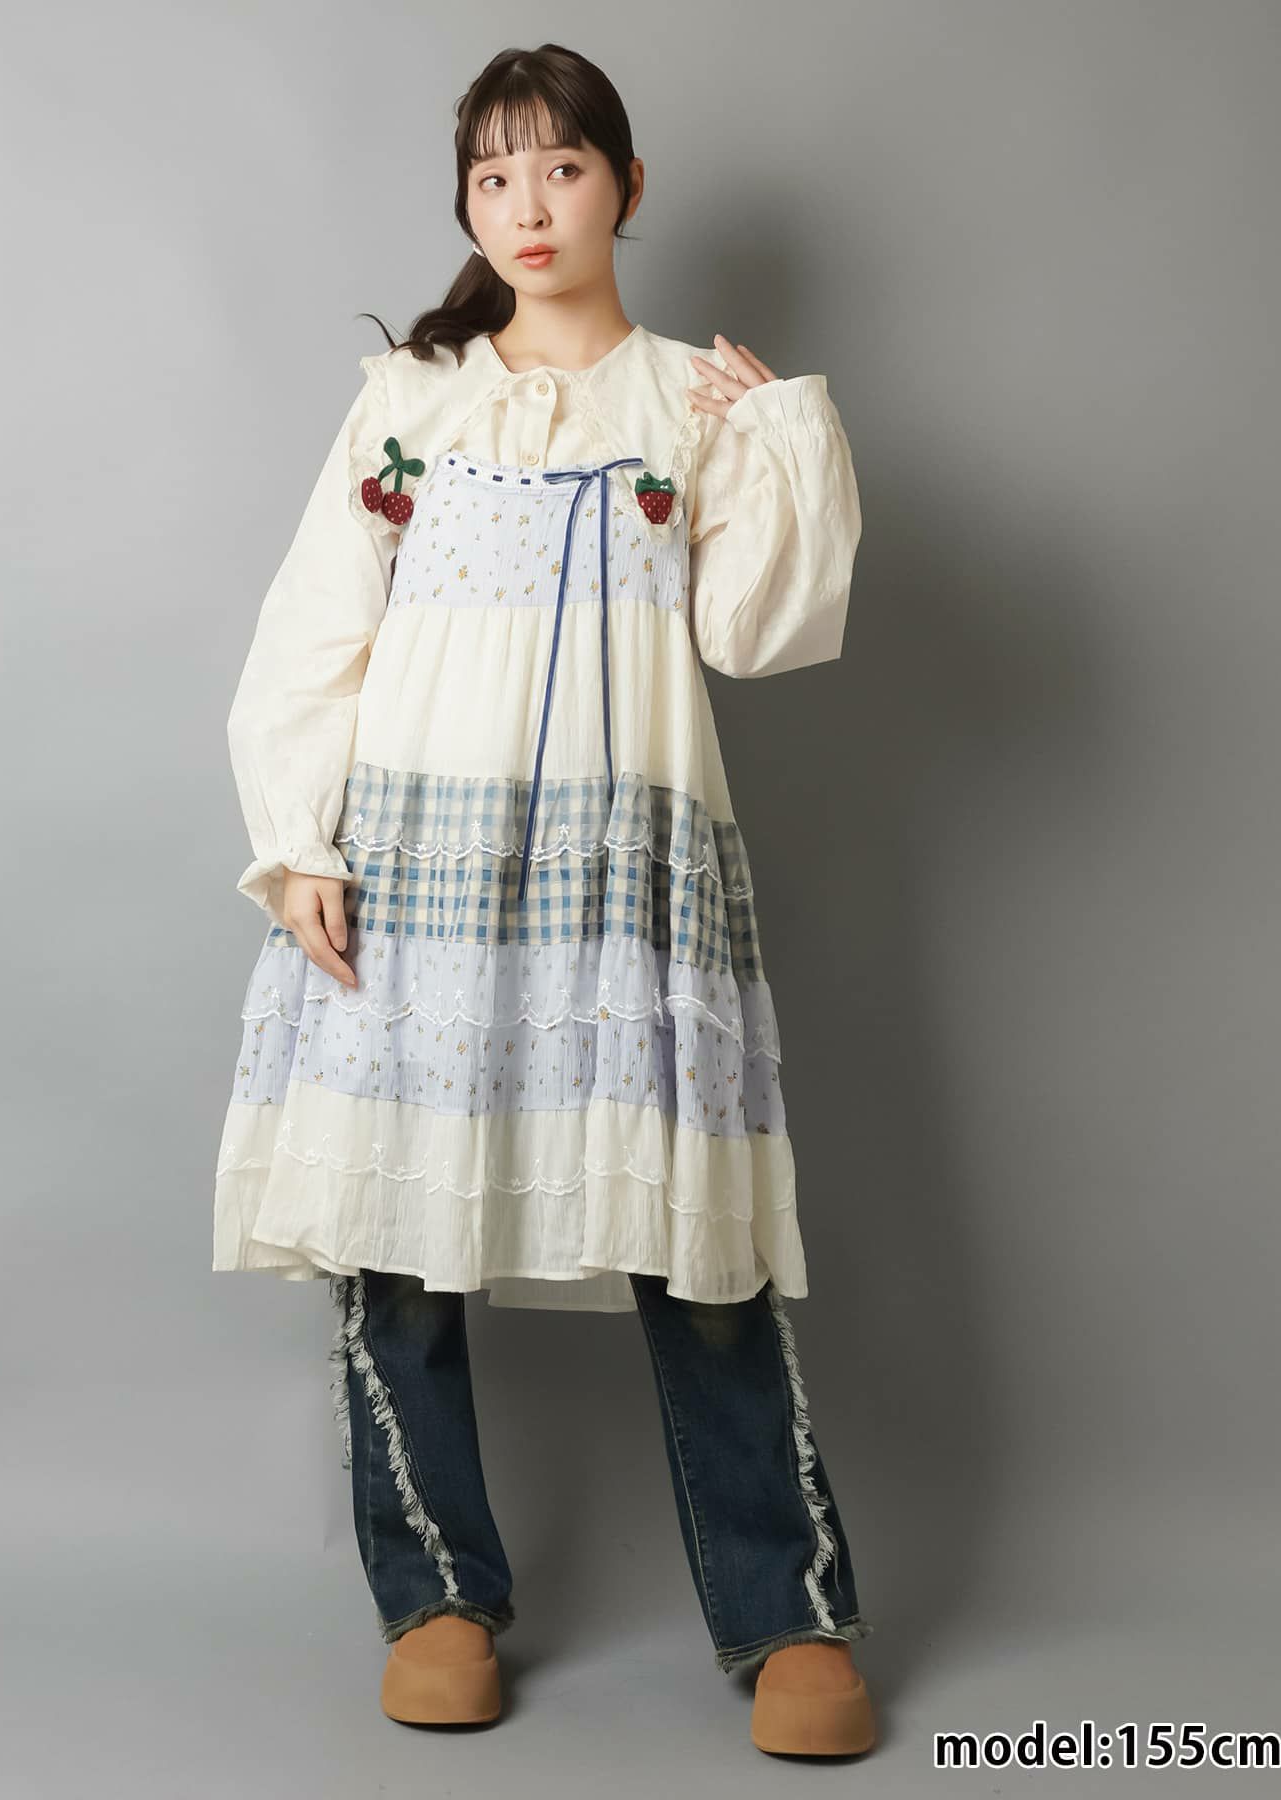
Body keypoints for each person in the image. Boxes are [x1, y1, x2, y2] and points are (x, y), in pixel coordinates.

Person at [212, 42, 876, 1757]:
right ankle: (435, 1595)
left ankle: (788, 1613)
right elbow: (313, 630)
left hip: (618, 874)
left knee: (695, 1240)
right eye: (494, 175)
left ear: (626, 188)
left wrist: (783, 441)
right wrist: (300, 842)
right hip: (420, 866)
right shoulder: (413, 405)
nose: (527, 205)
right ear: (466, 201)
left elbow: (758, 633)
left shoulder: (684, 405)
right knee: (396, 1238)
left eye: (562, 168)